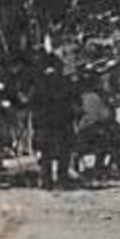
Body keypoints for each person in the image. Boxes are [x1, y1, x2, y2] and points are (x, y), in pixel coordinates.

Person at [29, 58, 78, 190]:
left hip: (45, 123)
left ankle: (46, 181)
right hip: (62, 122)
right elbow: (74, 100)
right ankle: (62, 180)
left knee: (46, 153)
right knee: (63, 152)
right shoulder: (65, 83)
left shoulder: (39, 83)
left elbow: (33, 103)